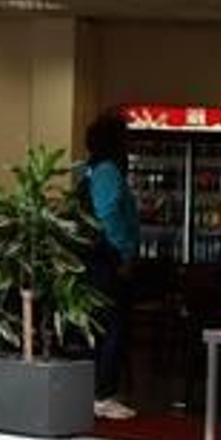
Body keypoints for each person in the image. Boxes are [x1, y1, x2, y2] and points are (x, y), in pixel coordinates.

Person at [80, 111, 139, 421]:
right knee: (113, 326)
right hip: (108, 260)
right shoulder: (108, 172)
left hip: (93, 261)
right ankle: (103, 394)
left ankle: (97, 392)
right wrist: (124, 252)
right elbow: (109, 213)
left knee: (100, 326)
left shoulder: (89, 171)